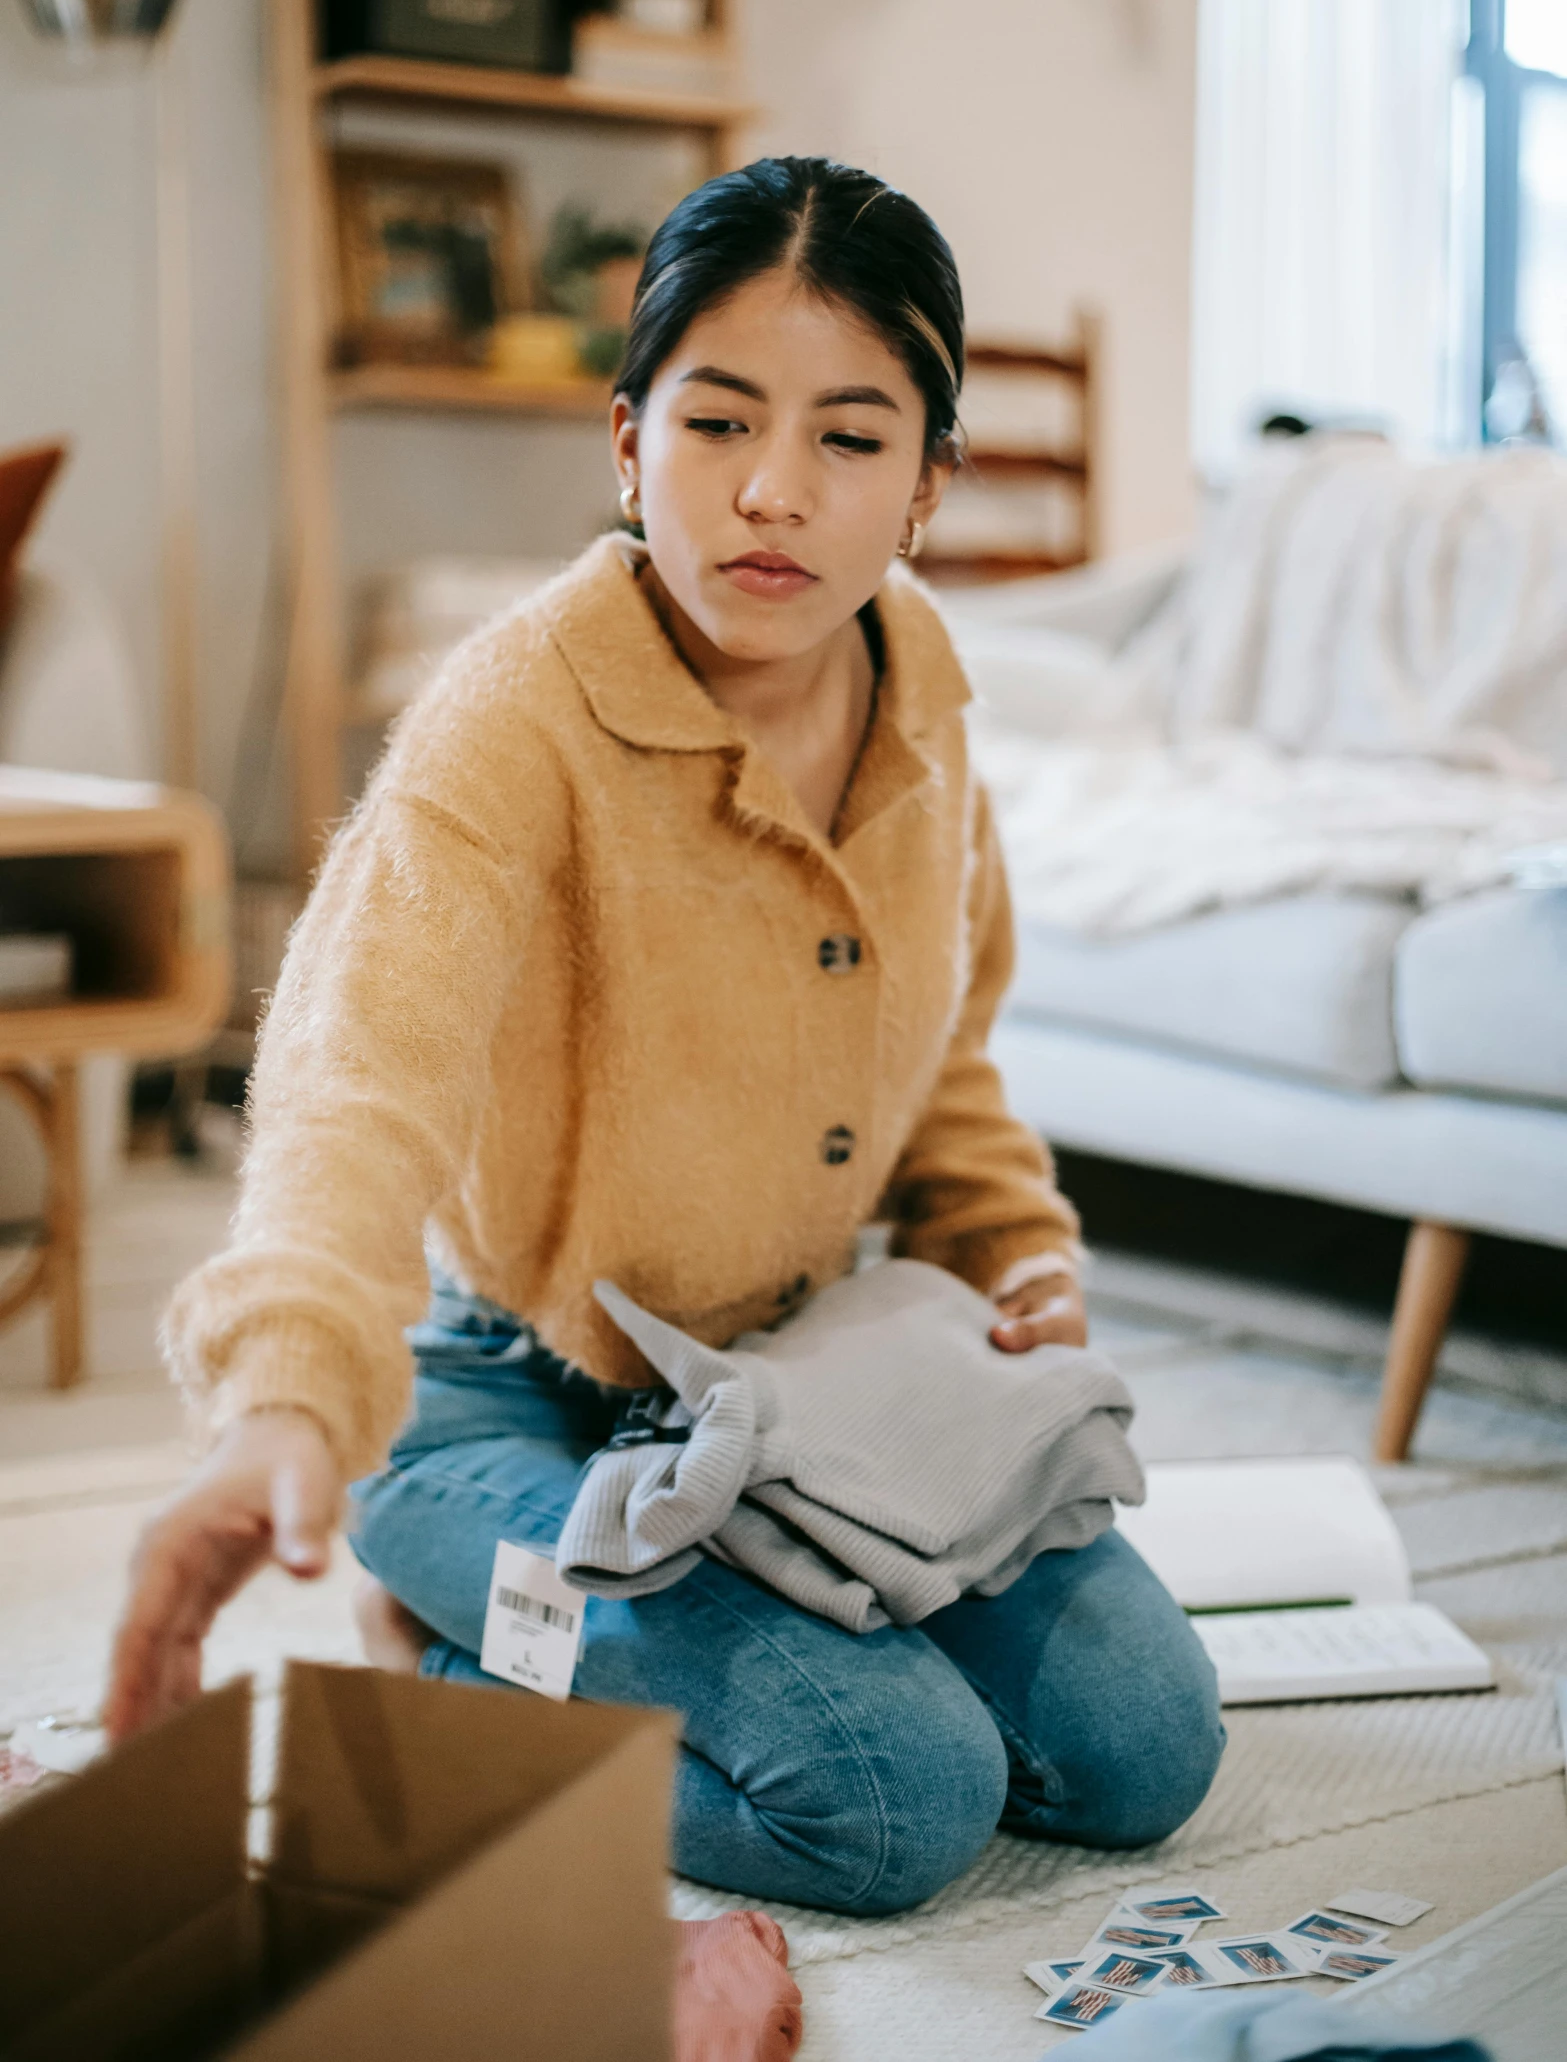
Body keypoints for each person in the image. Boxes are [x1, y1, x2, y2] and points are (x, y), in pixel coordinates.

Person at [107, 158, 1223, 1915]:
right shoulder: (510, 719)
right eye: (718, 423)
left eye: (853, 439)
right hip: (500, 1397)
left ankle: (615, 1626)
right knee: (887, 1798)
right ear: (628, 445)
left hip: (806, 1385)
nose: (773, 493)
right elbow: (351, 1083)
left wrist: (1006, 1250)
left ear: (930, 483)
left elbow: (950, 1062)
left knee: (1144, 1748)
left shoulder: (926, 710)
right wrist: (290, 1397)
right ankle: (453, 1653)